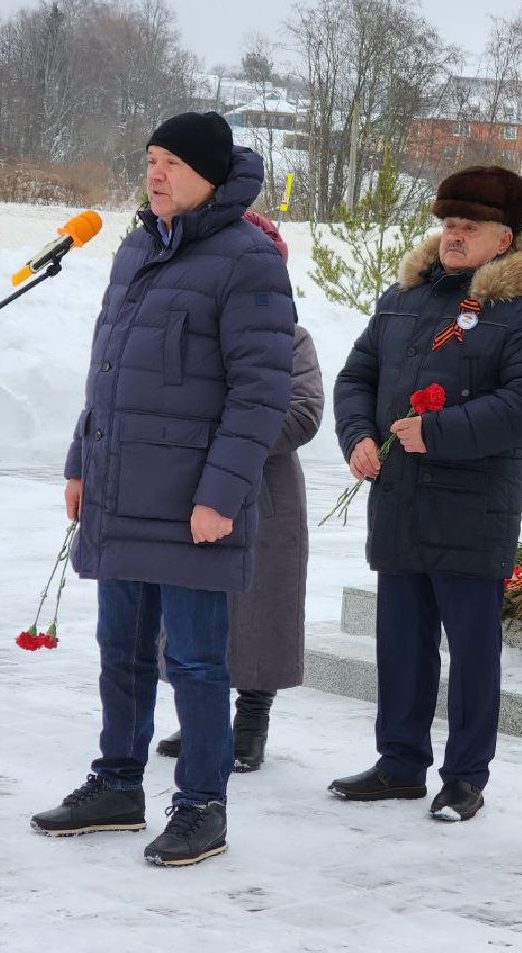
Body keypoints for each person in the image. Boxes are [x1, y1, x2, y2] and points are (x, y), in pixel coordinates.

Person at [30, 112, 294, 868]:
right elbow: (107, 370)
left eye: (173, 161)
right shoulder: (138, 247)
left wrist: (221, 495)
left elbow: (260, 394)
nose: (155, 173)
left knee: (197, 664)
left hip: (192, 504)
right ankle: (118, 782)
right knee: (120, 650)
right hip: (121, 487)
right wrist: (81, 461)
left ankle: (201, 805)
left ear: (209, 175)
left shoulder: (248, 259)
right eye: (151, 158)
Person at [328, 165, 522, 821]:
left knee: (472, 652)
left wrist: (437, 432)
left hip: (471, 508)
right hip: (400, 501)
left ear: (504, 239)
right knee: (401, 644)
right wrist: (357, 436)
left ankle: (465, 776)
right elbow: (356, 376)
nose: (453, 236)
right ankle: (399, 763)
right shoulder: (403, 299)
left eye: (469, 227)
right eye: (449, 224)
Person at [156, 210, 324, 772]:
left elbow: (304, 412)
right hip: (193, 490)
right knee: (192, 608)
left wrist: (232, 439)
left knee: (261, 609)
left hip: (264, 494)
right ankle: (199, 717)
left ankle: (252, 721)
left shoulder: (291, 340)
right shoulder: (195, 334)